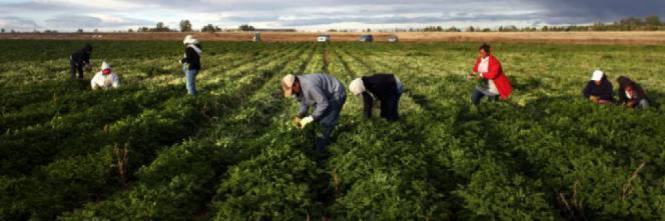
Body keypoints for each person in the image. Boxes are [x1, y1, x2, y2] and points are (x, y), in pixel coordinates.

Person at [281, 74, 346, 151]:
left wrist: (311, 118)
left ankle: (319, 151)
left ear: (296, 84)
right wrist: (299, 115)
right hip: (323, 96)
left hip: (335, 93)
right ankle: (319, 142)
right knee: (317, 121)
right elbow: (303, 103)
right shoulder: (298, 89)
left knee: (325, 123)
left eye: (292, 90)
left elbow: (323, 104)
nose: (293, 93)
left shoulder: (309, 86)